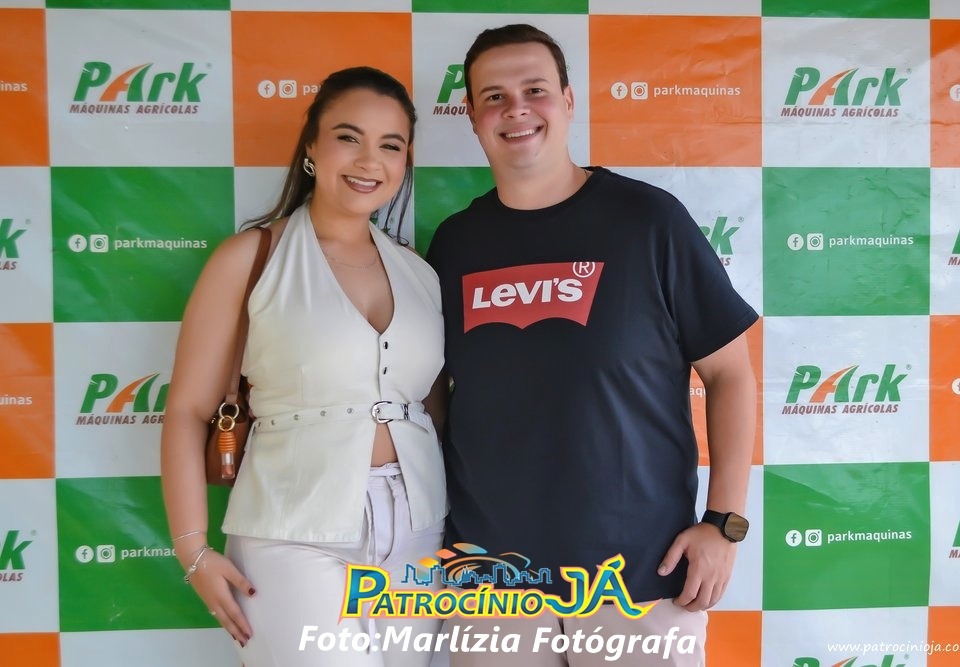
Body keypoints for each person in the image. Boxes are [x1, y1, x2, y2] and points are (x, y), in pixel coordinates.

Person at [424, 25, 758, 666]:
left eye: (535, 90)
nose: (516, 109)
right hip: (492, 581)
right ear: (470, 116)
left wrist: (723, 525)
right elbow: (433, 398)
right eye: (493, 96)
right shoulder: (455, 244)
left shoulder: (649, 221)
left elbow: (731, 374)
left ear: (569, 101)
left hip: (638, 576)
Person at [161, 66, 448, 666]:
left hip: (418, 533)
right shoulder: (250, 257)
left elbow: (432, 409)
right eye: (349, 137)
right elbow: (187, 409)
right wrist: (192, 549)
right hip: (291, 532)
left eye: (390, 145)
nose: (369, 160)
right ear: (312, 145)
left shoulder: (422, 273)